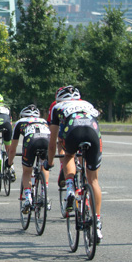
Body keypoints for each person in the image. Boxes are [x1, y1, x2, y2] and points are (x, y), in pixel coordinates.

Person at [44, 85, 104, 241]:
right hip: (93, 133)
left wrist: (49, 163)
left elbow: (52, 143)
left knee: (69, 155)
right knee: (94, 180)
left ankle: (70, 187)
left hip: (72, 132)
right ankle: (97, 223)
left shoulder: (57, 107)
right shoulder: (88, 104)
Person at [8, 105, 50, 213]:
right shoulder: (44, 121)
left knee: (27, 171)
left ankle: (28, 198)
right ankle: (44, 195)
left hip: (31, 141)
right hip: (46, 140)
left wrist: (9, 163)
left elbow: (12, 149)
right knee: (44, 166)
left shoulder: (20, 122)